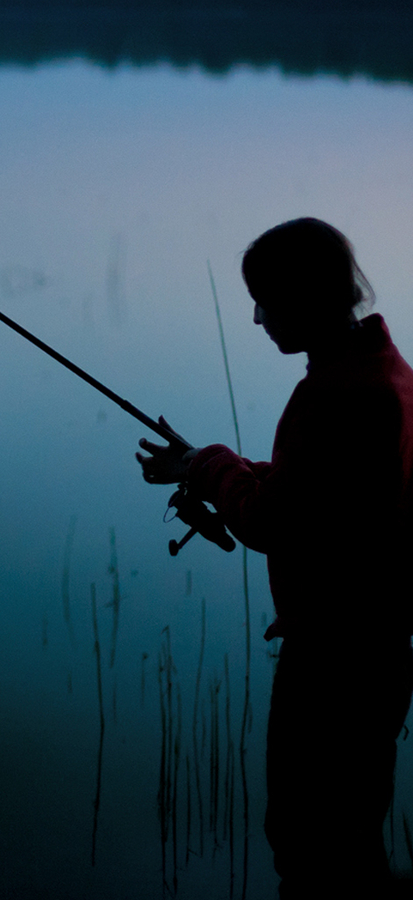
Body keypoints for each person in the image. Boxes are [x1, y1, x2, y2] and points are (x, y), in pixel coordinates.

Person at [136, 217, 413, 898]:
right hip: (378, 647)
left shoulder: (335, 395)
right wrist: (203, 467)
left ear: (304, 296)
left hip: (334, 655)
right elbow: (326, 488)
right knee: (349, 836)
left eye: (265, 298)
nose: (257, 317)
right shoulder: (387, 375)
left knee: (309, 843)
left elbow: (270, 521)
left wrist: (213, 466)